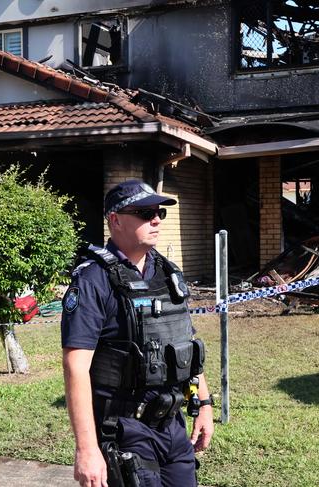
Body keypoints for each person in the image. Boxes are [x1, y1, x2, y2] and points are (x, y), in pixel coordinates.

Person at [62, 180, 214, 487]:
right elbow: (75, 367)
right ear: (115, 220)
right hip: (125, 431)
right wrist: (87, 450)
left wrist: (203, 404)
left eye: (159, 212)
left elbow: (185, 349)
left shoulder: (168, 274)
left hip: (172, 427)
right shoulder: (93, 281)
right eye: (145, 212)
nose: (156, 219)